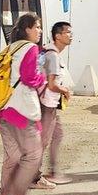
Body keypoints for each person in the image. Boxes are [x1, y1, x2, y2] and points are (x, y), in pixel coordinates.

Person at [0, 13, 48, 195]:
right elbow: (28, 77)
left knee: (13, 156)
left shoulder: (10, 47)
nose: (39, 31)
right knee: (33, 154)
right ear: (27, 29)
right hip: (22, 111)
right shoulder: (30, 48)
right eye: (37, 27)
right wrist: (43, 80)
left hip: (4, 109)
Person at [36, 21, 73, 186]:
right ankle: (33, 176)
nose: (70, 36)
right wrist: (64, 90)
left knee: (57, 135)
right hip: (47, 104)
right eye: (68, 32)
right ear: (58, 36)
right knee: (43, 141)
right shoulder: (53, 55)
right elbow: (51, 85)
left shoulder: (51, 52)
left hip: (50, 103)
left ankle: (52, 171)